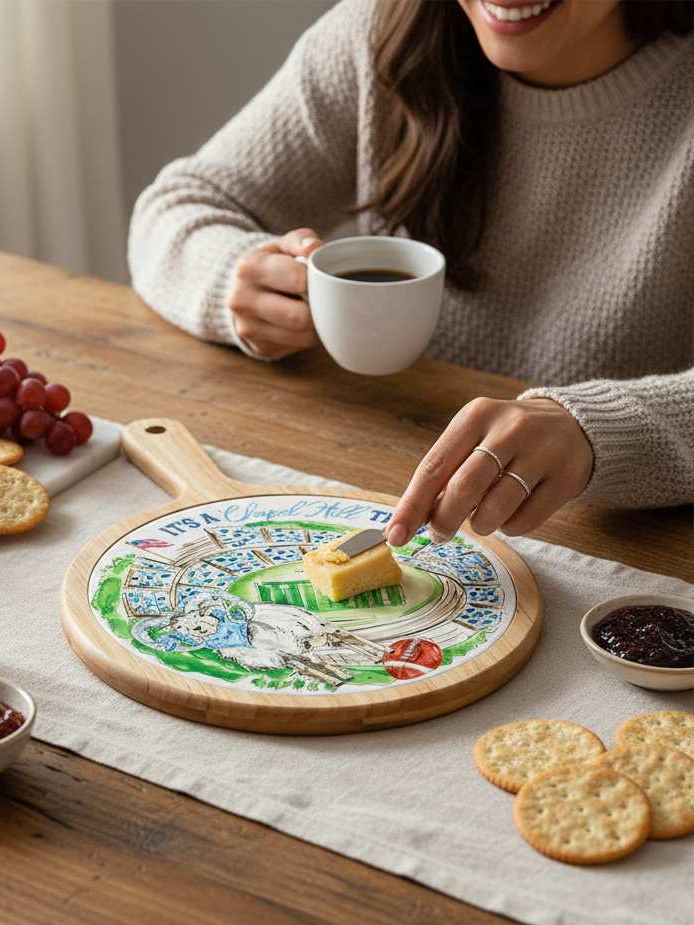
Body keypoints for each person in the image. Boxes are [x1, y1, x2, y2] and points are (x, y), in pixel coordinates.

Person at [127, 0, 694, 548]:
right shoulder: (382, 32)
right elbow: (179, 205)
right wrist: (236, 278)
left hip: (616, 550)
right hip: (367, 483)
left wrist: (594, 432)